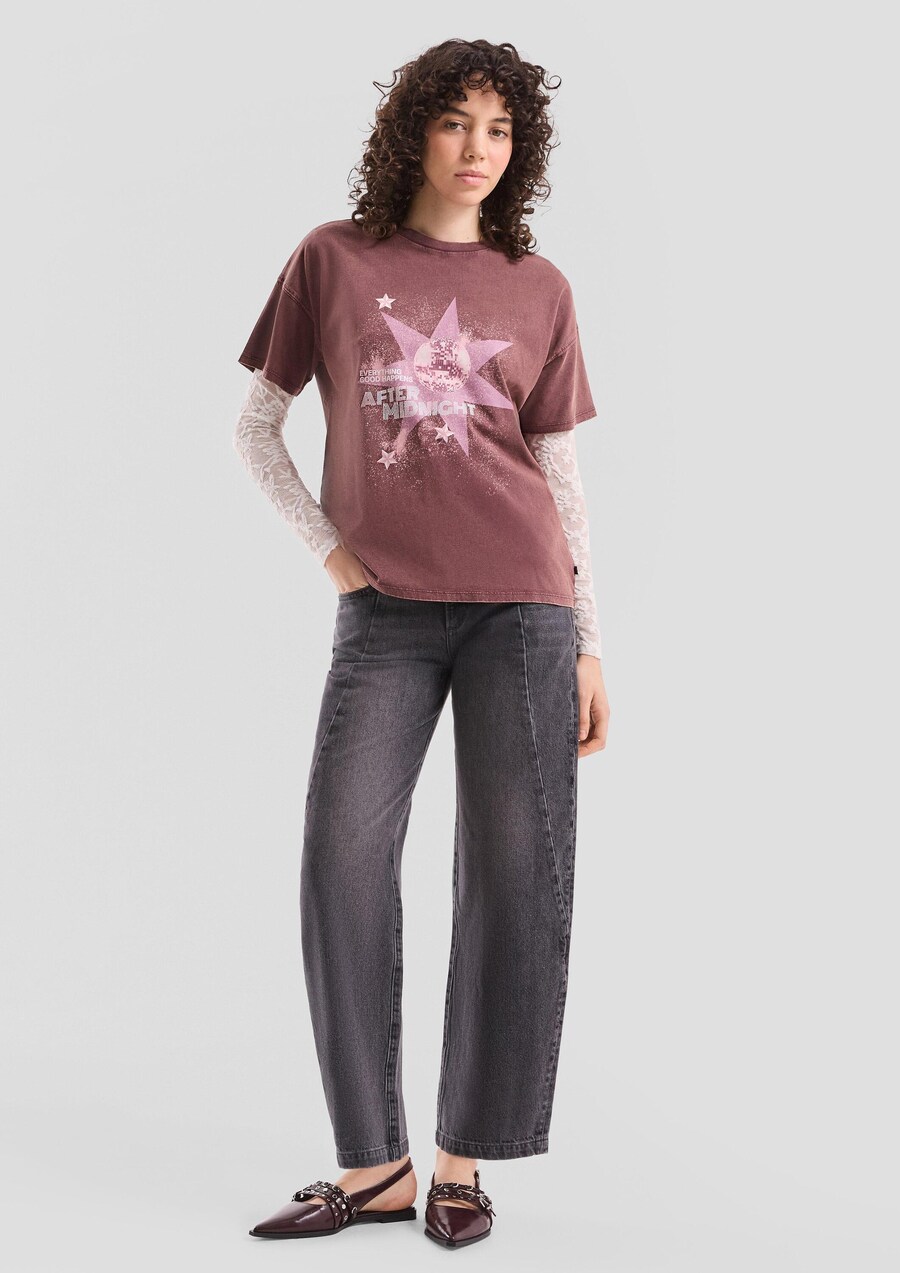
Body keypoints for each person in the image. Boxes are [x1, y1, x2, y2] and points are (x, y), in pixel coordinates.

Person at [233, 38, 610, 1249]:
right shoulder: (332, 261)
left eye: (499, 129)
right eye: (455, 123)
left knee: (516, 876)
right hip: (383, 614)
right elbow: (255, 427)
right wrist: (335, 555)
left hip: (524, 611)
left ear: (520, 149)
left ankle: (461, 1162)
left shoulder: (539, 286)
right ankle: (375, 1163)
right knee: (339, 861)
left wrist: (589, 637)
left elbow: (558, 470)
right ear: (414, 132)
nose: (477, 149)